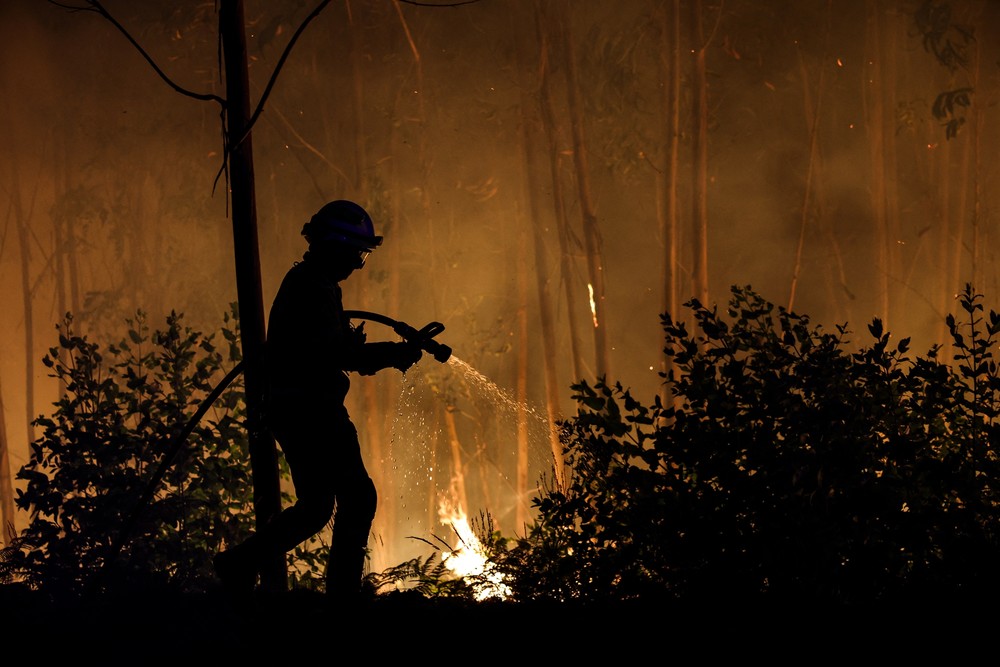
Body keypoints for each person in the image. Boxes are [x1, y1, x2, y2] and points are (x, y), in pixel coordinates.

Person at [213, 199, 422, 604]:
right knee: (357, 498)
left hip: (296, 409)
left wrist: (370, 348)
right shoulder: (310, 288)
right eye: (356, 254)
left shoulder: (315, 284)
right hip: (312, 411)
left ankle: (239, 564)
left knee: (315, 507)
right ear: (334, 246)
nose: (357, 264)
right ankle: (342, 598)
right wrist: (393, 354)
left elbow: (330, 348)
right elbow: (334, 354)